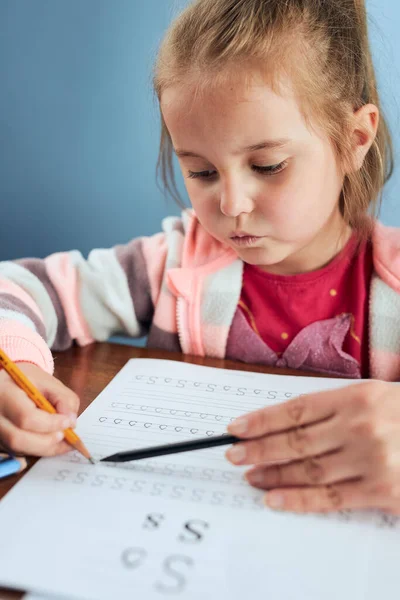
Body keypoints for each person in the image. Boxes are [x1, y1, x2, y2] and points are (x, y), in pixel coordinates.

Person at [0, 0, 398, 514]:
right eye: (202, 172)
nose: (231, 205)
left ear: (354, 140)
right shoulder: (171, 264)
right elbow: (16, 288)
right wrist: (15, 371)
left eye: (268, 165)